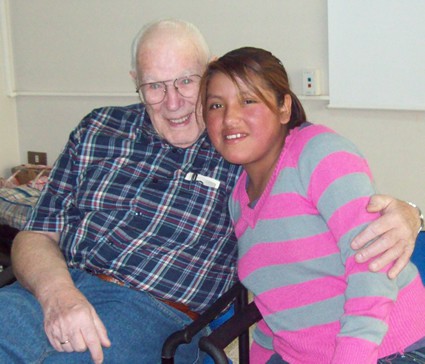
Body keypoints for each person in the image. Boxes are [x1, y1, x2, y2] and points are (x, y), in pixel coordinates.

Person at [0, 19, 421, 364]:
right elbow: (36, 233)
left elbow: (353, 223)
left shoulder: (247, 150)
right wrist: (59, 295)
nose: (174, 102)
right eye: (154, 86)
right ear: (135, 83)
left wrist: (410, 212)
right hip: (52, 288)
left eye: (187, 82)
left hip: (152, 313)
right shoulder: (100, 130)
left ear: (208, 73)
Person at [200, 46, 425, 364]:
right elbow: (279, 304)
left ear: (283, 108)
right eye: (215, 105)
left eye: (248, 100)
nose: (229, 117)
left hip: (389, 350)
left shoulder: (319, 153)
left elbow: (373, 269)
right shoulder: (239, 199)